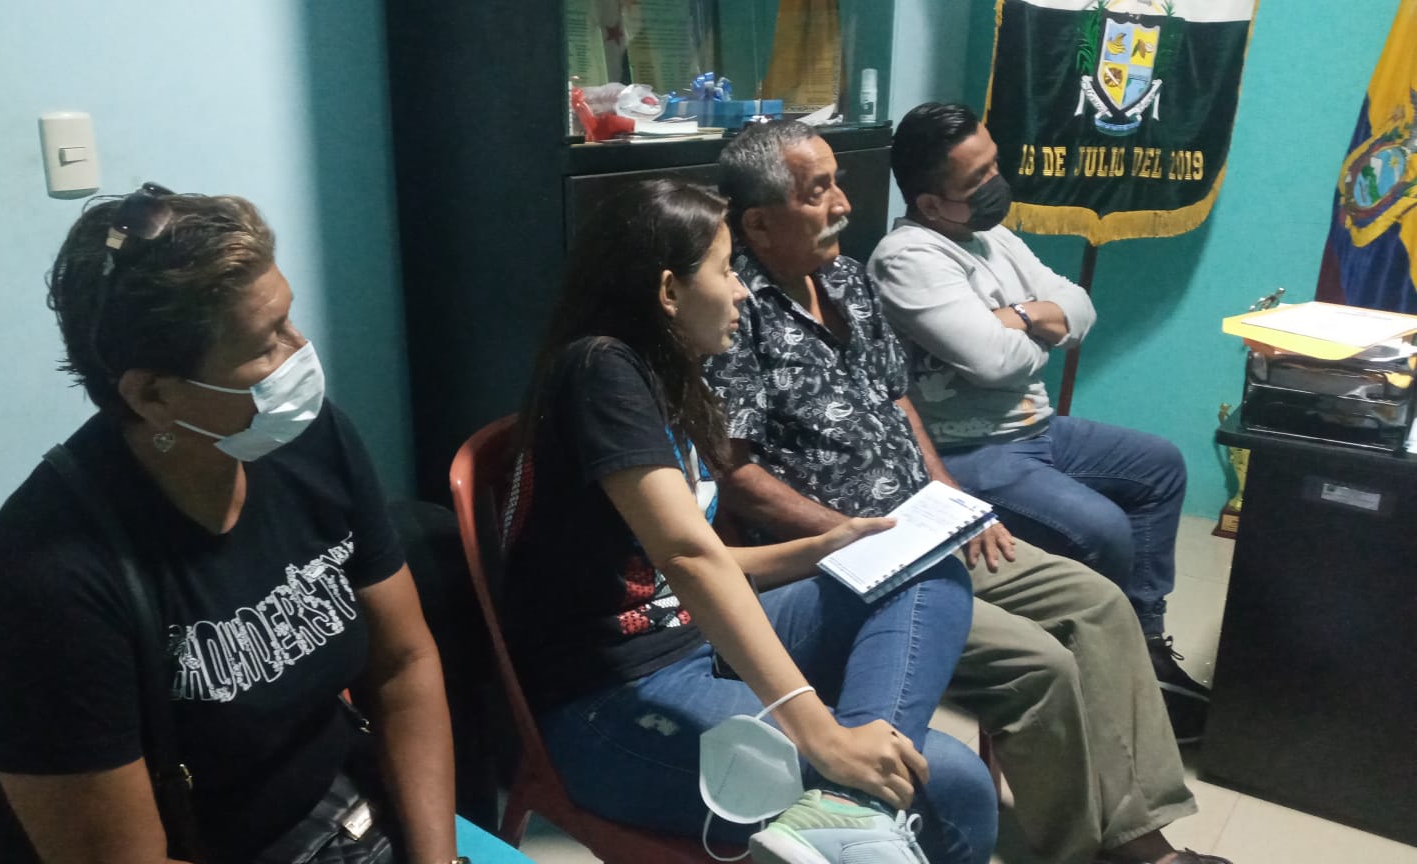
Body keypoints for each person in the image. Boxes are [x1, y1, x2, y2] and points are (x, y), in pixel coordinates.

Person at [704, 120, 1230, 864]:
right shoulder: (734, 311)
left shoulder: (846, 280)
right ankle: (1092, 851)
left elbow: (897, 401)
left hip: (924, 524)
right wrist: (842, 533)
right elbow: (736, 475)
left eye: (836, 183)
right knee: (1039, 664)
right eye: (817, 191)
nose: (843, 204)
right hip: (841, 559)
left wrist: (951, 499)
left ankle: (1141, 830)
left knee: (1100, 605)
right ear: (759, 223)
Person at [0, 185, 486, 864]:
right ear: (152, 394)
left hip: (339, 812)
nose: (300, 353)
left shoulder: (310, 444)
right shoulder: (46, 589)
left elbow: (403, 664)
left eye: (289, 320)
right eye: (266, 345)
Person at [502, 178, 998, 864]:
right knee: (955, 784)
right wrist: (819, 734)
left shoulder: (661, 374)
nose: (741, 291)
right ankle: (847, 805)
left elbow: (678, 564)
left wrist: (822, 547)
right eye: (724, 270)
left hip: (694, 646)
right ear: (668, 291)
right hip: (607, 703)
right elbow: (689, 557)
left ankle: (846, 810)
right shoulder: (601, 369)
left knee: (926, 571)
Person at [871, 102, 1210, 734]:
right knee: (1103, 530)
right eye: (977, 179)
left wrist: (1017, 318)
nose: (995, 184)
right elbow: (993, 361)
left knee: (1159, 466)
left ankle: (1144, 644)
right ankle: (1106, 673)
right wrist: (1038, 324)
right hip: (969, 449)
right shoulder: (907, 259)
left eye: (993, 165)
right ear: (931, 202)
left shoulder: (990, 236)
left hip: (1036, 427)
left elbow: (1079, 308)